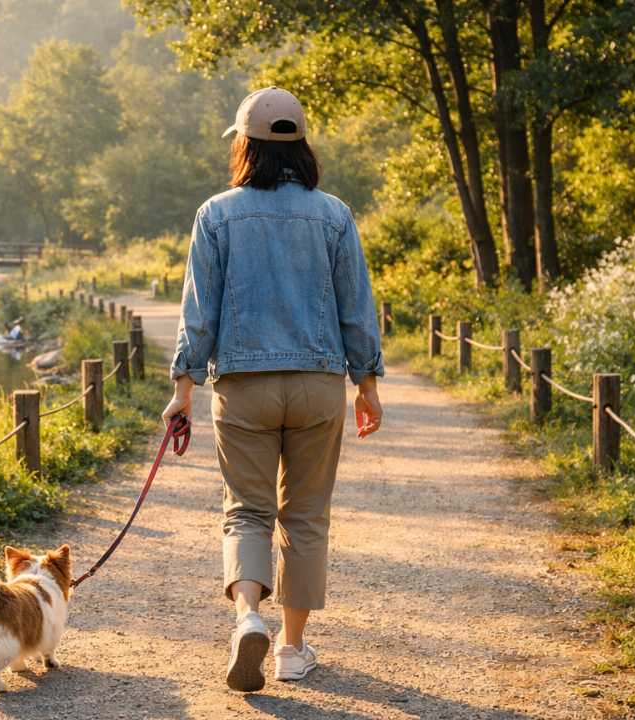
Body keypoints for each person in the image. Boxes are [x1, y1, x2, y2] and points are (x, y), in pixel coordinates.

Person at [160, 87, 384, 692]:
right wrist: (366, 382)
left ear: (245, 148)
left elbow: (198, 313)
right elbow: (356, 308)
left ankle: (247, 616)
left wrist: (183, 387)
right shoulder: (334, 214)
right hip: (316, 385)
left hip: (244, 386)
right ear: (301, 148)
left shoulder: (216, 214)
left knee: (247, 512)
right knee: (306, 516)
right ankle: (291, 649)